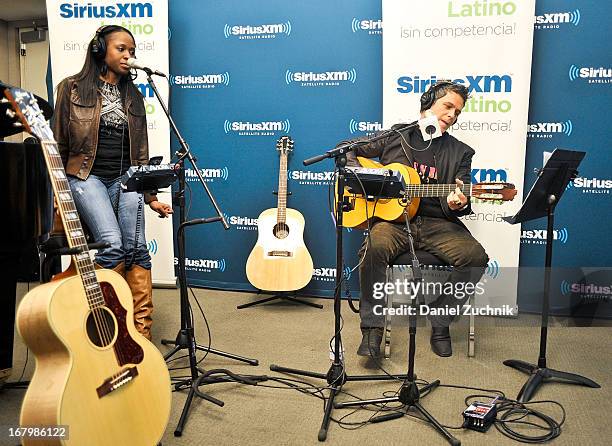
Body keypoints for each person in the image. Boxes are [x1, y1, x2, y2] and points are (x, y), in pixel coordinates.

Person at [343, 81, 489, 358]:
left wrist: (459, 202)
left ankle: (441, 318)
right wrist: (356, 171)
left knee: (475, 257)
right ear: (427, 102)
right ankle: (373, 329)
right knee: (374, 246)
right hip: (394, 222)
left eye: (457, 112)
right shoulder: (397, 135)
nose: (452, 115)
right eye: (448, 106)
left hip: (438, 224)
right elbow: (346, 147)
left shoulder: (461, 152)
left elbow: (462, 193)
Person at [52, 25, 173, 340]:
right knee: (113, 245)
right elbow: (57, 144)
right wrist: (54, 192)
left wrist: (150, 197)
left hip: (125, 178)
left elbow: (141, 153)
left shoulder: (132, 93)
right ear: (99, 50)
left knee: (136, 249)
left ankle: (139, 335)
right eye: (122, 49)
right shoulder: (71, 88)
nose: (128, 56)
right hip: (84, 176)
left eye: (132, 51)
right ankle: (98, 321)